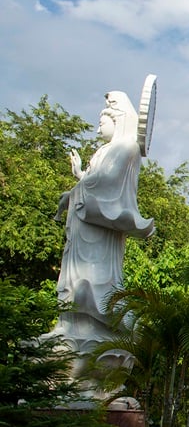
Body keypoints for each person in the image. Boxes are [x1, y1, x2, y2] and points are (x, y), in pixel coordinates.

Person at [48, 90, 155, 376]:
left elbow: (108, 188)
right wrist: (80, 179)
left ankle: (97, 337)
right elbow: (97, 184)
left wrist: (80, 189)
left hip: (101, 235)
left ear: (118, 120)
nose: (98, 127)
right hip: (84, 228)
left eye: (103, 120)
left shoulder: (126, 149)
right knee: (73, 284)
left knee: (94, 282)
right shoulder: (107, 150)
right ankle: (71, 329)